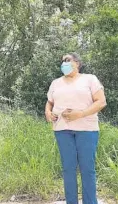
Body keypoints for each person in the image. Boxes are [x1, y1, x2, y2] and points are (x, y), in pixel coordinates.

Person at [45, 53, 106, 204]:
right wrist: (47, 112)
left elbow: (101, 102)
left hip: (87, 129)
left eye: (67, 60)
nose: (64, 63)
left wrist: (81, 114)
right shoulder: (56, 83)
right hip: (62, 130)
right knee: (68, 169)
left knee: (87, 169)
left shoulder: (90, 79)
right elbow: (50, 102)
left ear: (77, 63)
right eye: (62, 61)